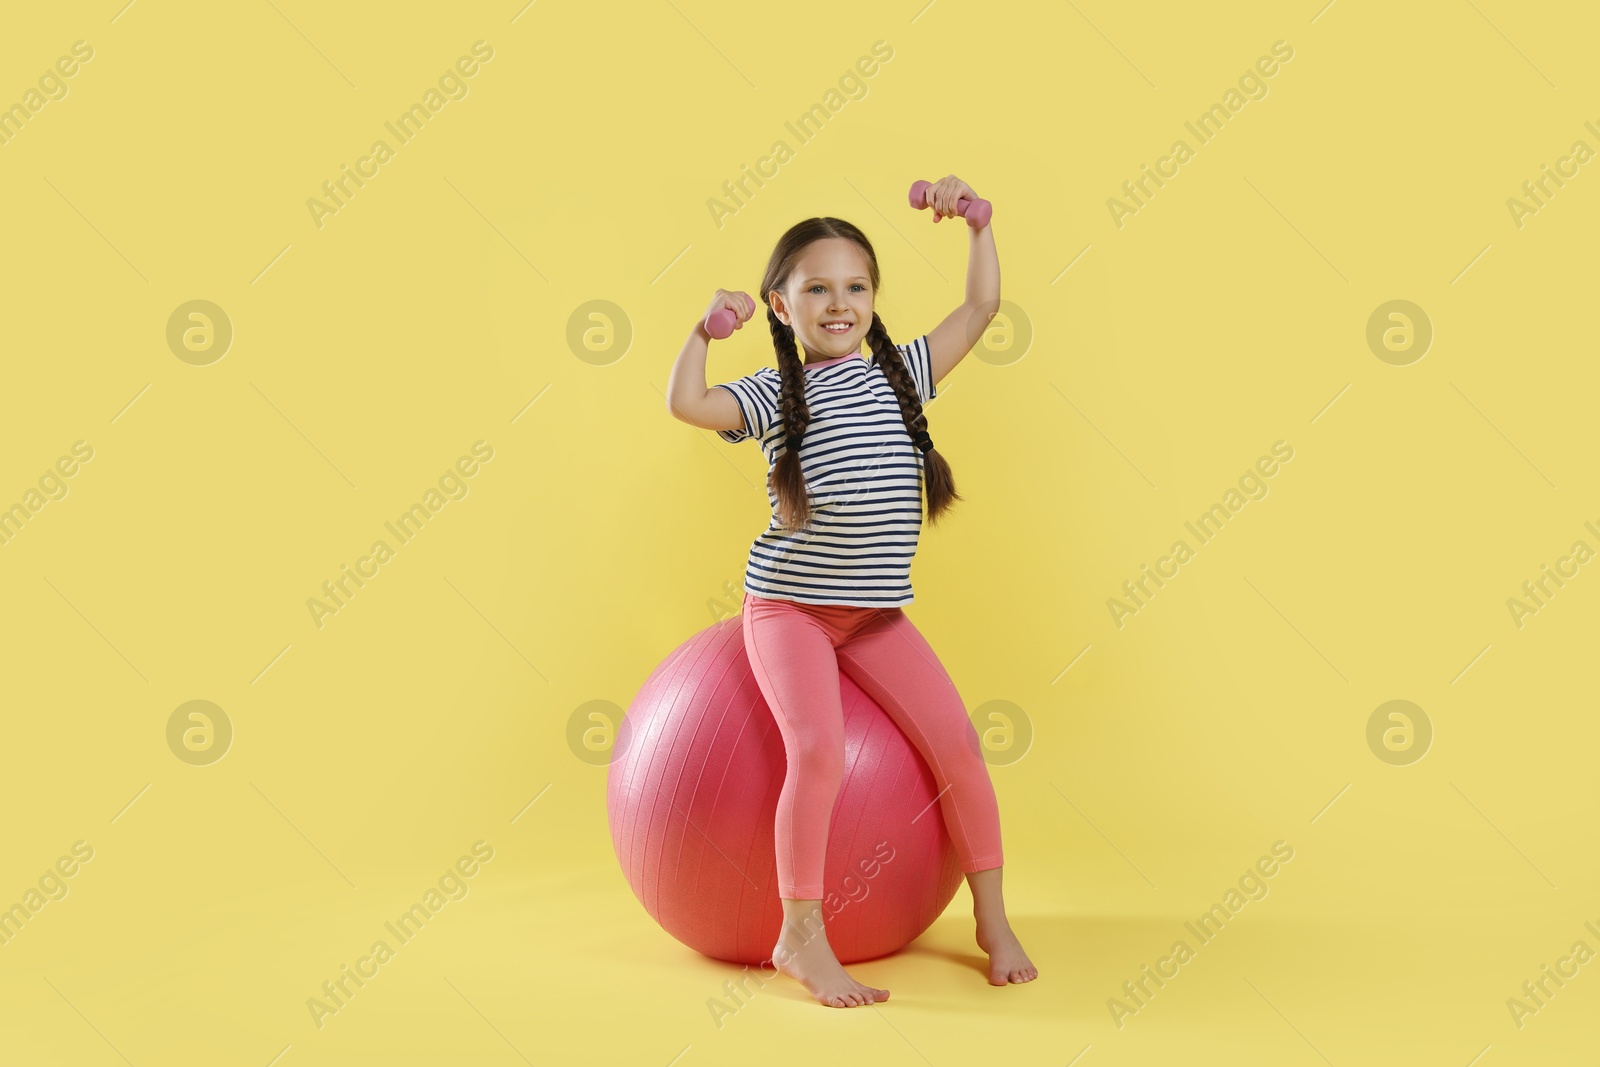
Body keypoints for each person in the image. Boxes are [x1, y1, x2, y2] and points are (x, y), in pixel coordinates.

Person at [664, 175, 1035, 1008]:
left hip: (873, 617)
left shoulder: (902, 373)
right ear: (780, 305)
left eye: (857, 287)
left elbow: (979, 310)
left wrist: (979, 226)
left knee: (961, 749)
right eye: (817, 289)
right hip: (789, 612)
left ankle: (994, 920)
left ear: (874, 298)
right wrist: (701, 329)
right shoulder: (768, 395)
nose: (841, 303)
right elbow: (687, 400)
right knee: (820, 752)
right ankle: (801, 934)